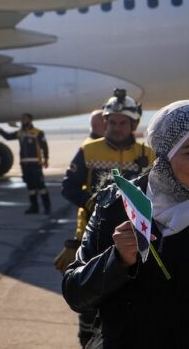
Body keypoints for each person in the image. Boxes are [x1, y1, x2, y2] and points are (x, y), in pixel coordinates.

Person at [62, 100, 189, 348]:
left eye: (124, 122)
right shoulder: (115, 205)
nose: (118, 127)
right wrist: (117, 261)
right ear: (164, 155)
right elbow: (75, 293)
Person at [59, 90, 154, 347]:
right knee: (88, 312)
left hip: (135, 241)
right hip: (92, 237)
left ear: (134, 125)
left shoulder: (149, 153)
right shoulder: (88, 150)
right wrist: (90, 201)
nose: (116, 127)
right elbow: (68, 187)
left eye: (123, 122)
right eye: (111, 122)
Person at [0, 113, 51, 214]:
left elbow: (44, 146)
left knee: (41, 186)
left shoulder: (38, 133)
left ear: (30, 120)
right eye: (21, 119)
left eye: (24, 119)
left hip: (35, 164)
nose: (22, 120)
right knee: (30, 187)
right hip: (25, 165)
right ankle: (34, 207)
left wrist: (46, 159)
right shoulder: (20, 133)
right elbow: (8, 136)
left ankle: (47, 207)